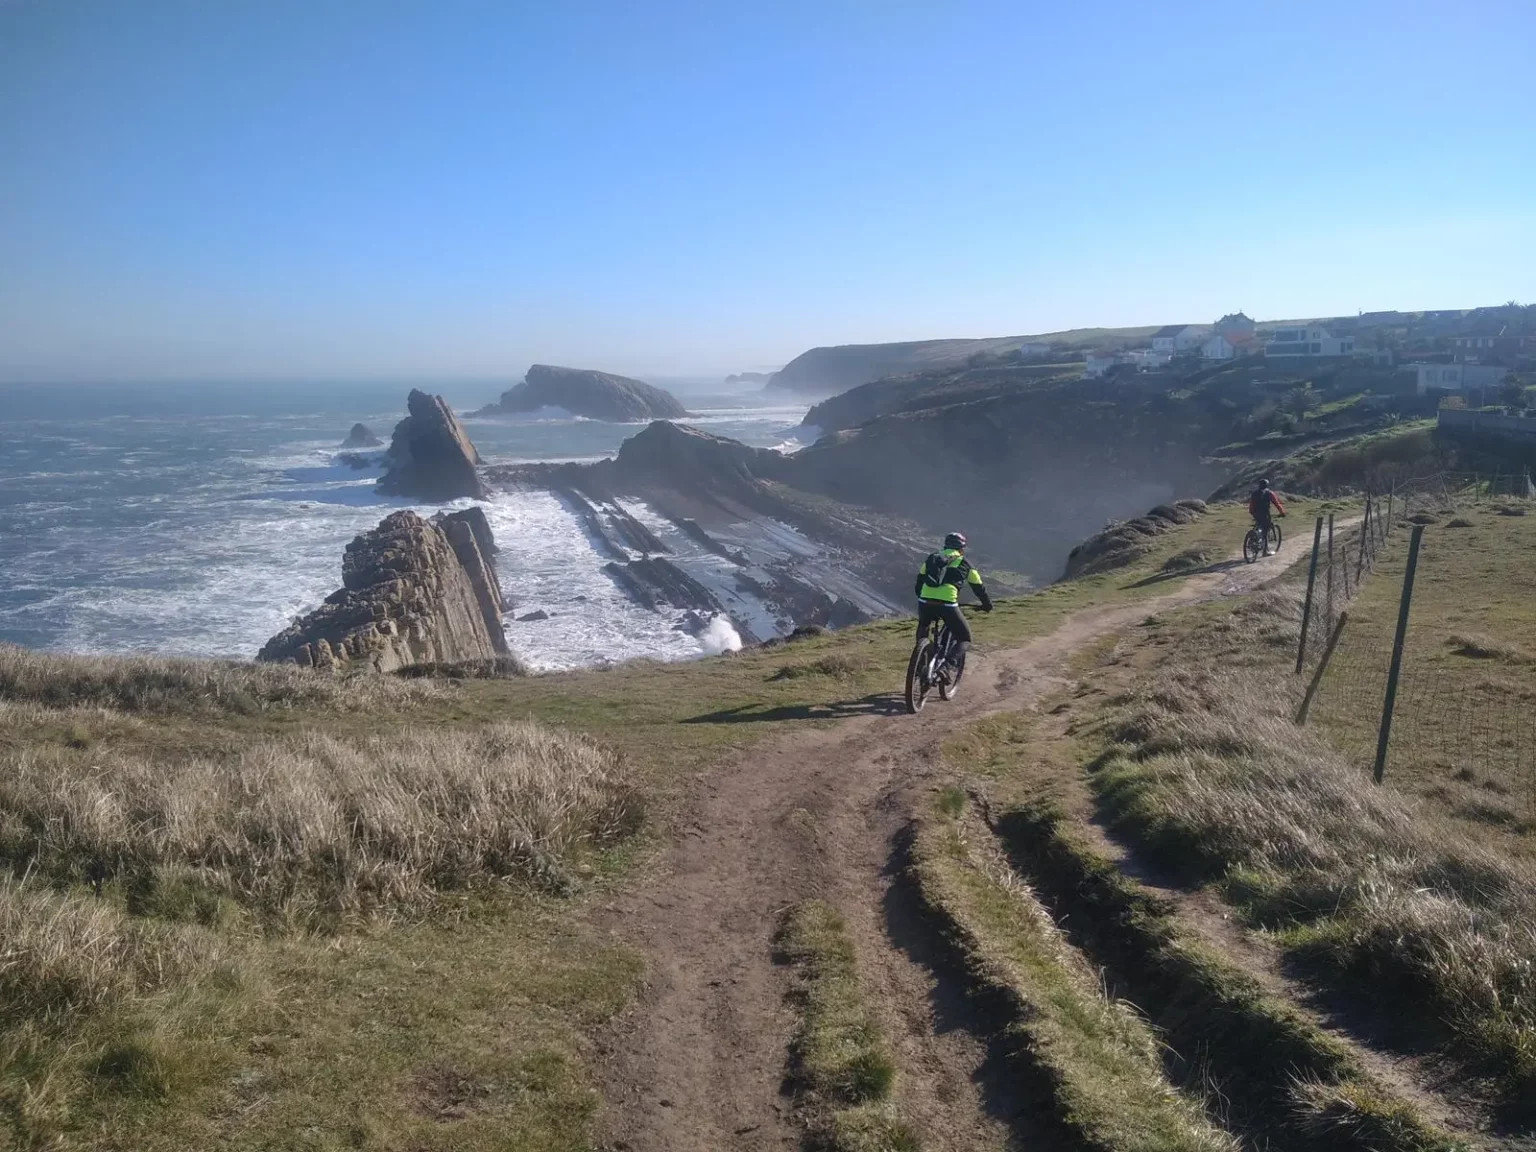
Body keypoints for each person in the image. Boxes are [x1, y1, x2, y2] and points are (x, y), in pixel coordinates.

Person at [915, 532, 993, 680]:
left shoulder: (932, 558)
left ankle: (920, 661)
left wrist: (922, 596)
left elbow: (919, 581)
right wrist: (987, 605)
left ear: (945, 545)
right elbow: (978, 588)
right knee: (965, 638)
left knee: (924, 625)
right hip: (947, 604)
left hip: (925, 601)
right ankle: (946, 667)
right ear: (961, 548)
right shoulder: (965, 563)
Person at [1247, 478, 1286, 555]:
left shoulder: (1254, 493)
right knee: (1265, 530)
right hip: (1265, 513)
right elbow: (1277, 503)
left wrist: (1252, 512)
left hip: (1255, 513)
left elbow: (1251, 505)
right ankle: (1265, 551)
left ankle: (1252, 540)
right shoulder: (1269, 493)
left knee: (1258, 525)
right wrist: (1282, 512)